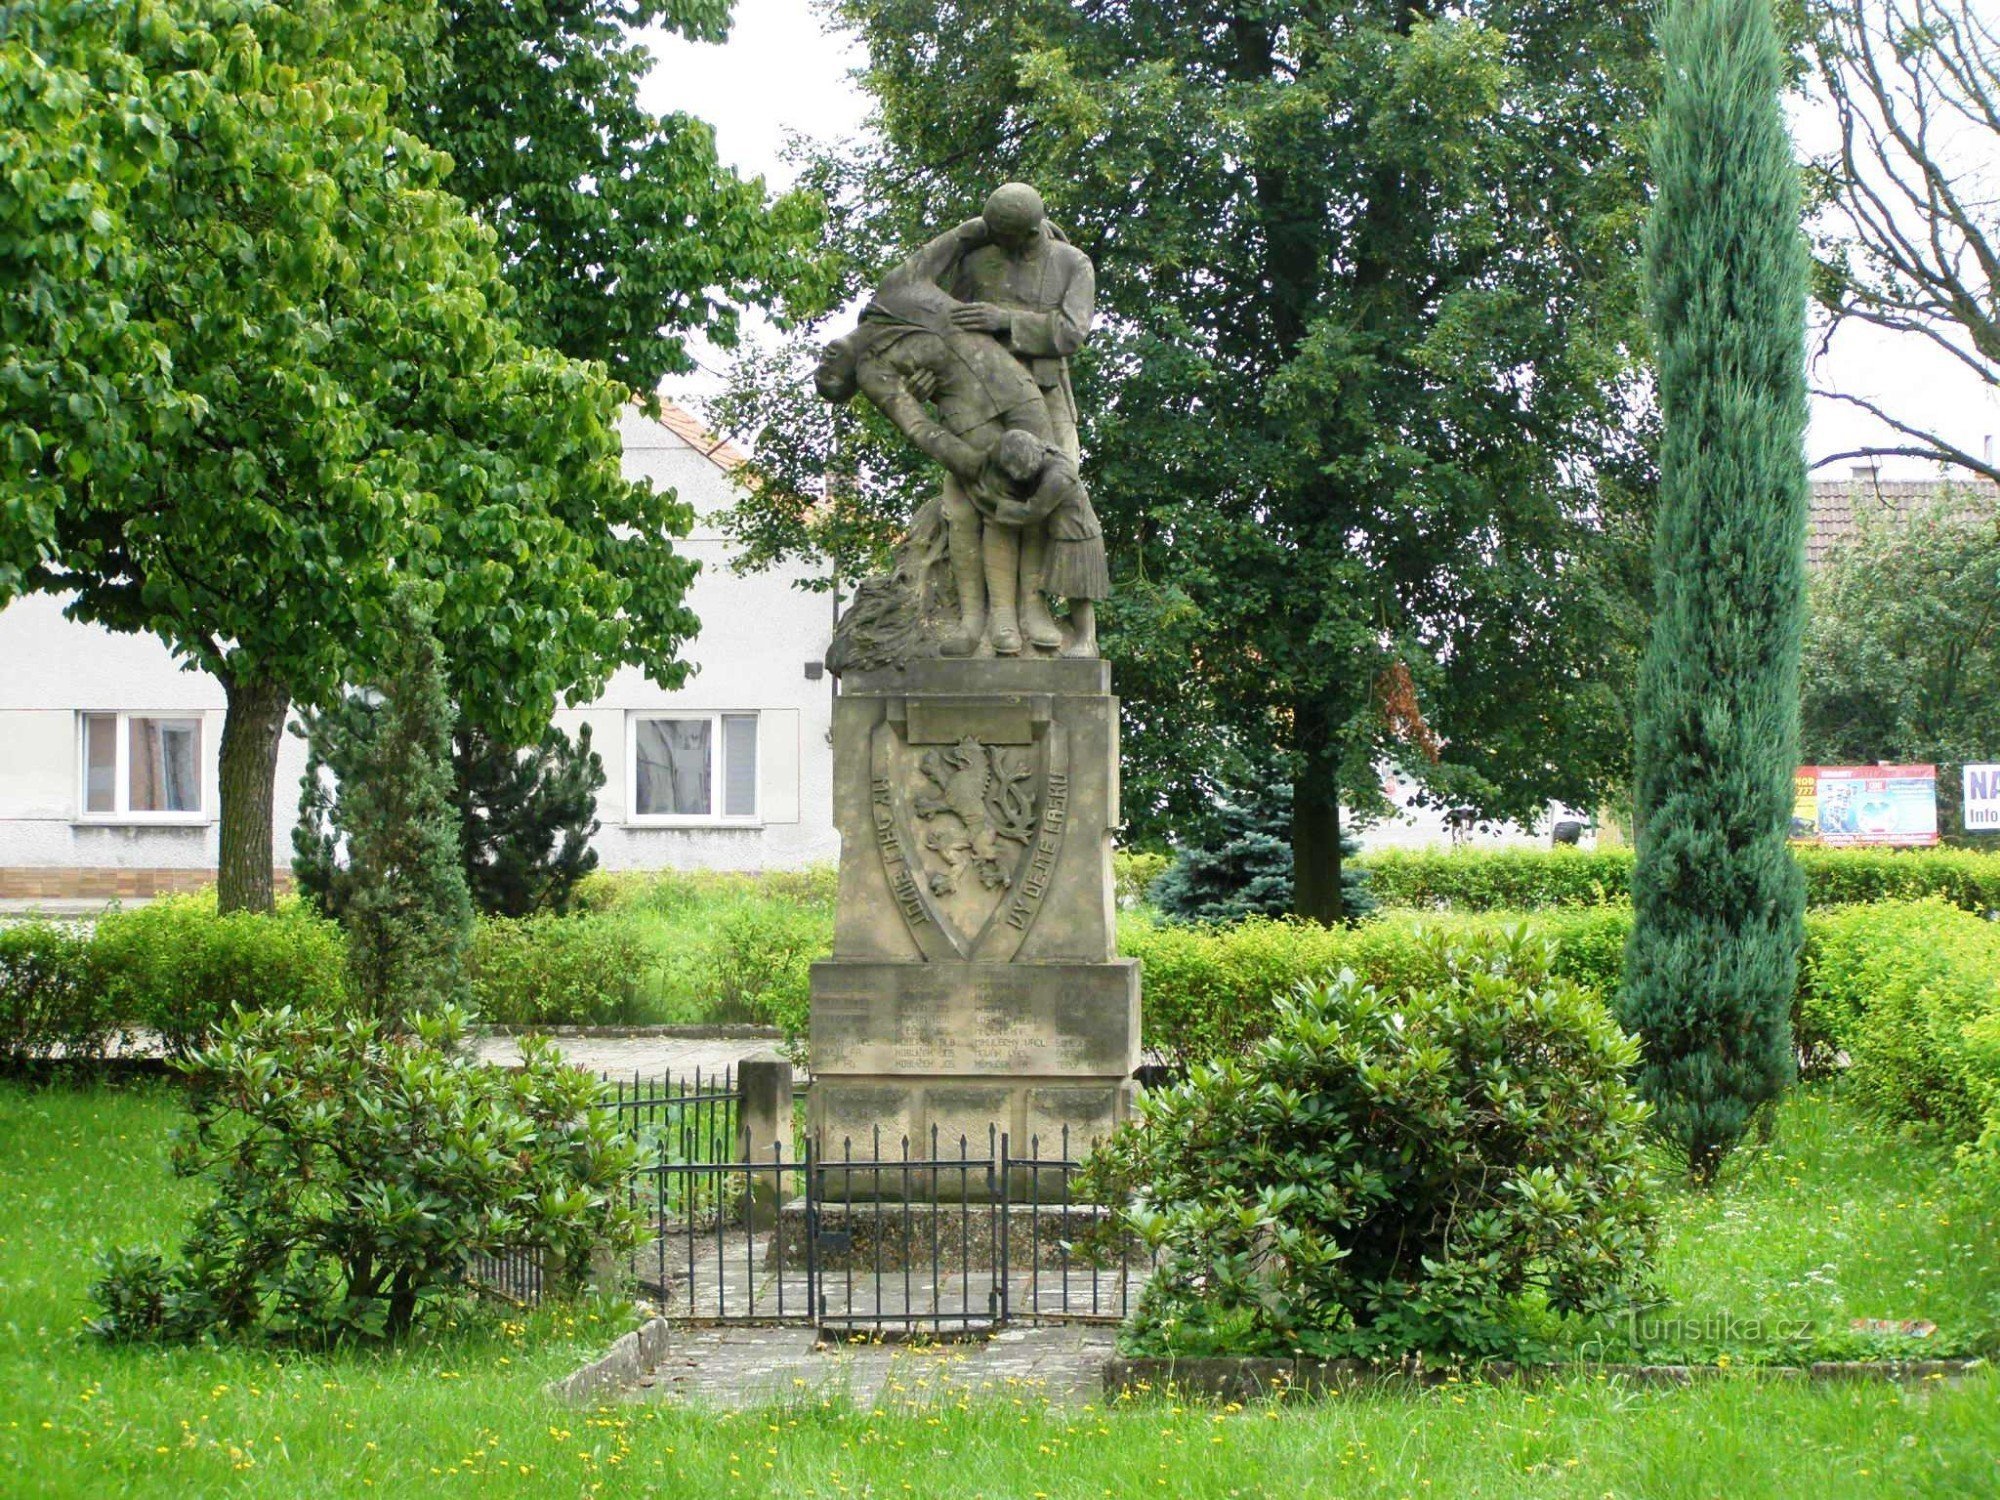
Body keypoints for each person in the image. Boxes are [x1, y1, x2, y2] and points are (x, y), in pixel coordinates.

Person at [897, 184, 1096, 650]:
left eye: (1011, 238)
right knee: (965, 504)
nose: (1003, 247)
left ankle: (1032, 608)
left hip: (1043, 393)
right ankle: (976, 620)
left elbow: (1071, 332)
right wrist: (928, 378)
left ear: (1032, 230)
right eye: (995, 236)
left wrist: (1003, 320)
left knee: (1047, 496)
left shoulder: (1071, 263)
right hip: (975, 396)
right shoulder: (976, 257)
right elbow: (945, 327)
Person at [813, 278, 1057, 654]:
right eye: (830, 377)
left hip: (1018, 385)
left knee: (1043, 497)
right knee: (980, 508)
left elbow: (962, 239)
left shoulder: (893, 292)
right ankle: (985, 620)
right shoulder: (872, 372)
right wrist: (967, 462)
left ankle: (1031, 609)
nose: (824, 362)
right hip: (968, 418)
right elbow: (916, 426)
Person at [966, 429, 1107, 658]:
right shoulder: (1049, 454)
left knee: (1079, 594)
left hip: (1078, 536)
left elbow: (1033, 511)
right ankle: (1084, 639)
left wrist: (993, 502)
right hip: (1066, 535)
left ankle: (1087, 642)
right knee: (1074, 593)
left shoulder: (1058, 476)